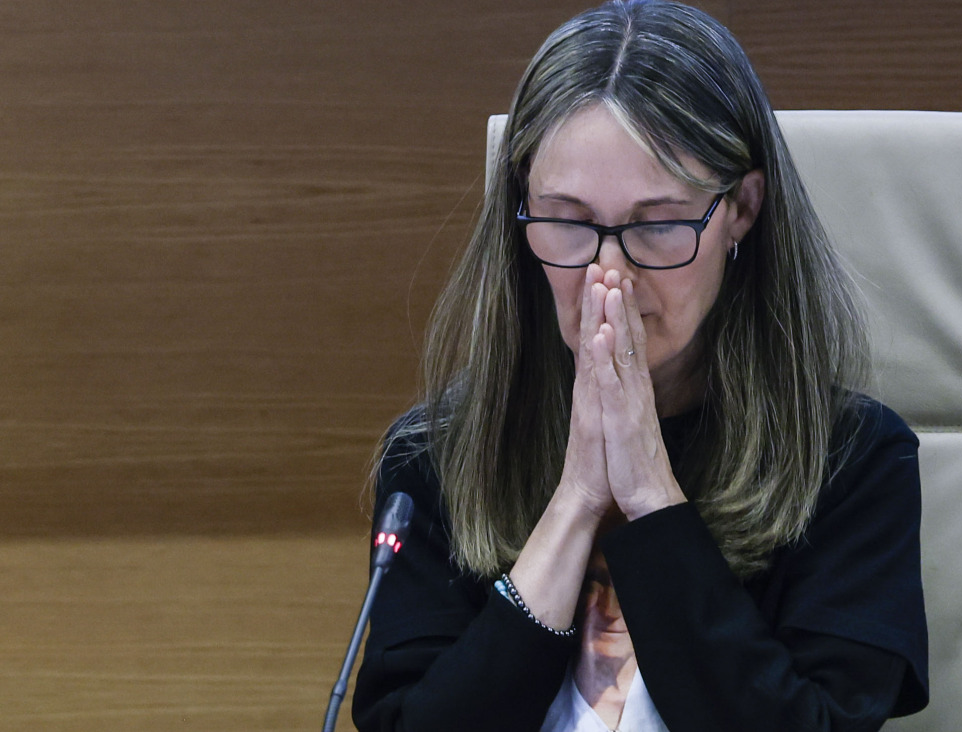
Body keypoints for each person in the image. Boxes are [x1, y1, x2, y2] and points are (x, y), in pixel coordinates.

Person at [352, 1, 928, 730]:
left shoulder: (852, 460)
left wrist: (649, 492)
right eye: (567, 220)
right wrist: (576, 501)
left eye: (657, 224)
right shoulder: (434, 458)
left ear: (742, 209)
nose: (609, 273)